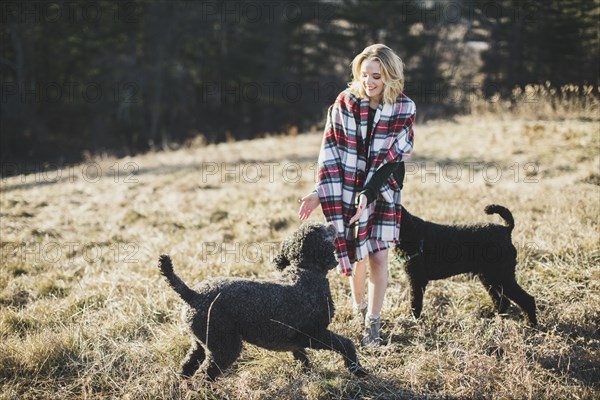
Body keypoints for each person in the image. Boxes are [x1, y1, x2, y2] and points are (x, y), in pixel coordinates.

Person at [298, 44, 415, 346]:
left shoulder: (404, 108)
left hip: (383, 191)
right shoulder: (345, 103)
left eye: (376, 76)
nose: (369, 82)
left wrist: (369, 194)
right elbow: (331, 152)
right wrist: (319, 193)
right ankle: (360, 308)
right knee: (355, 256)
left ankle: (373, 323)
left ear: (390, 76)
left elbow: (392, 160)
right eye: (364, 75)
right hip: (347, 191)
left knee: (378, 257)